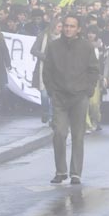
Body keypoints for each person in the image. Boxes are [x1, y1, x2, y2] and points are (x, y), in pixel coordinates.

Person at [42, 15, 99, 185]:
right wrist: (52, 90)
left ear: (78, 29)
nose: (68, 29)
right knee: (59, 133)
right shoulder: (53, 47)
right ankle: (61, 171)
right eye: (66, 26)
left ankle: (76, 173)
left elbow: (93, 69)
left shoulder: (86, 46)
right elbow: (47, 71)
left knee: (78, 135)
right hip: (59, 96)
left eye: (72, 26)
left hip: (79, 96)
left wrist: (89, 89)